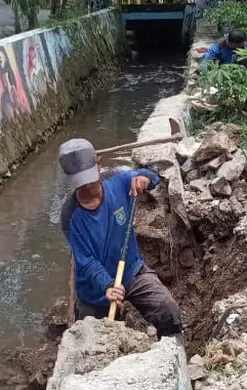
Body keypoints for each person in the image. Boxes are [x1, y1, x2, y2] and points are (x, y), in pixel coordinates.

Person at [59, 139, 182, 338]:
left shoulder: (119, 180)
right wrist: (107, 285)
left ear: (98, 164)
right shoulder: (70, 216)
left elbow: (153, 177)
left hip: (131, 271)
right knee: (95, 342)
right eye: (80, 182)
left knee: (167, 310)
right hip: (96, 290)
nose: (87, 186)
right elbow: (86, 261)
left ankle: (173, 349)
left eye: (90, 178)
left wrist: (145, 179)